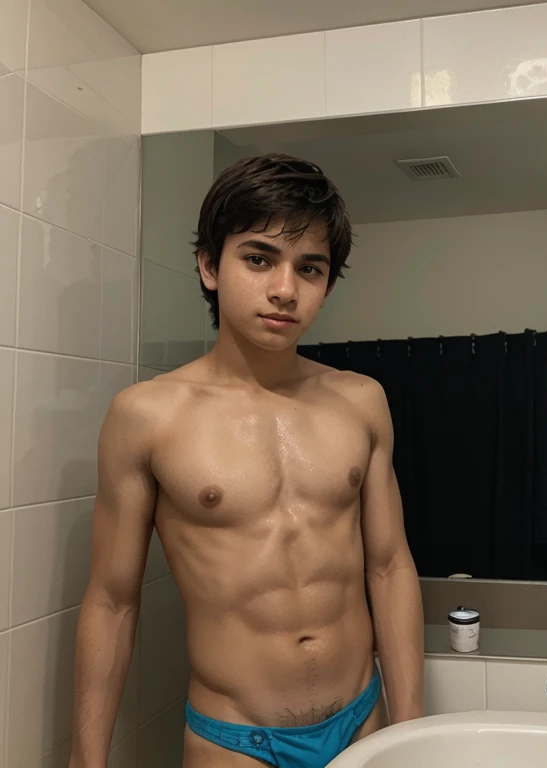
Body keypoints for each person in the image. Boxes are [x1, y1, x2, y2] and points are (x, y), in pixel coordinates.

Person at [69, 154, 425, 768]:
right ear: (210, 266)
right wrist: (86, 759)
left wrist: (412, 727)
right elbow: (112, 600)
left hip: (362, 721)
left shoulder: (361, 400)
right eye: (259, 259)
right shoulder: (147, 416)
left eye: (309, 268)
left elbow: (390, 567)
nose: (285, 289)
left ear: (327, 285)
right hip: (234, 740)